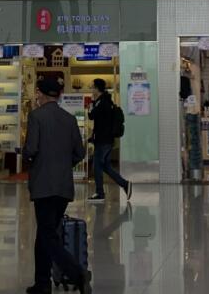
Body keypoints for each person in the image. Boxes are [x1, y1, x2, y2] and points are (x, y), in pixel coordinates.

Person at [24, 77, 91, 294]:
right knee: (45, 233)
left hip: (43, 184)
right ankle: (42, 283)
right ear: (59, 95)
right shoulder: (69, 119)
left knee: (47, 235)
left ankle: (77, 274)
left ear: (40, 95)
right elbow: (80, 152)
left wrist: (28, 159)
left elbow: (31, 149)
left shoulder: (36, 116)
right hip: (63, 185)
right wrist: (64, 165)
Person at [86, 78, 132, 202]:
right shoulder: (107, 101)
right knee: (106, 166)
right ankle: (125, 184)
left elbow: (91, 115)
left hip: (103, 140)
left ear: (97, 89)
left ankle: (99, 193)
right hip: (107, 140)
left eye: (92, 87)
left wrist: (91, 104)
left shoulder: (102, 102)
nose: (91, 90)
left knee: (97, 166)